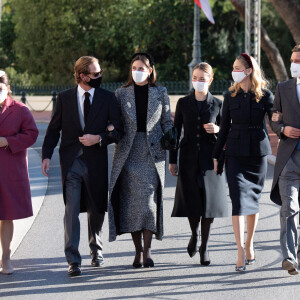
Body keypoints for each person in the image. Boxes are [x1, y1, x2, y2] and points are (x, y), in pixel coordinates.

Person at [41, 56, 123, 277]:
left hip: (95, 162)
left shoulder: (108, 98)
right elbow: (53, 130)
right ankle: (73, 259)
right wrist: (46, 156)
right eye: (95, 74)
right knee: (71, 210)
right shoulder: (64, 98)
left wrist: (99, 138)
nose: (99, 77)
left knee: (97, 209)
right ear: (82, 76)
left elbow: (119, 131)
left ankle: (96, 250)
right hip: (71, 163)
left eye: (100, 72)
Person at [108, 53, 173, 268]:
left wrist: (171, 137)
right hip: (128, 154)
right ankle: (137, 252)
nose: (137, 70)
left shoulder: (160, 93)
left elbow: (167, 122)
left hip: (152, 153)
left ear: (150, 70)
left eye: (141, 67)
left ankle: (148, 251)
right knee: (132, 207)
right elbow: (116, 123)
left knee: (149, 205)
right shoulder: (121, 93)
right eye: (134, 66)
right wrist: (110, 130)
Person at [212, 53, 274, 271]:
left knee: (253, 202)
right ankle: (239, 250)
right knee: (238, 200)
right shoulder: (230, 95)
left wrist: (285, 128)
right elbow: (224, 128)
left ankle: (249, 244)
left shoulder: (265, 95)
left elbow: (275, 123)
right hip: (235, 154)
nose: (234, 70)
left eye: (238, 67)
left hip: (257, 155)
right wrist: (216, 155)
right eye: (233, 66)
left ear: (249, 70)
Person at [169, 63, 228, 265]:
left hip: (211, 159)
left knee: (209, 204)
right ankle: (195, 234)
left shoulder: (218, 104)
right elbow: (174, 133)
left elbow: (227, 131)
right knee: (192, 201)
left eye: (202, 78)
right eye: (195, 77)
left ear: (210, 80)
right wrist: (172, 160)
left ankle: (205, 247)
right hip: (187, 159)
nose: (198, 81)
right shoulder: (184, 103)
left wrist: (217, 128)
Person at [0, 71, 38, 275]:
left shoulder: (20, 110)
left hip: (9, 171)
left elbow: (32, 134)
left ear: (8, 90)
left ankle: (6, 258)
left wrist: (8, 141)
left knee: (6, 216)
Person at [270, 45, 300, 276]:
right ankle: (289, 257)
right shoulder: (283, 87)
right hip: (288, 160)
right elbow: (274, 119)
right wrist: (283, 129)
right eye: (292, 60)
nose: (293, 64)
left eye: (297, 60)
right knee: (288, 209)